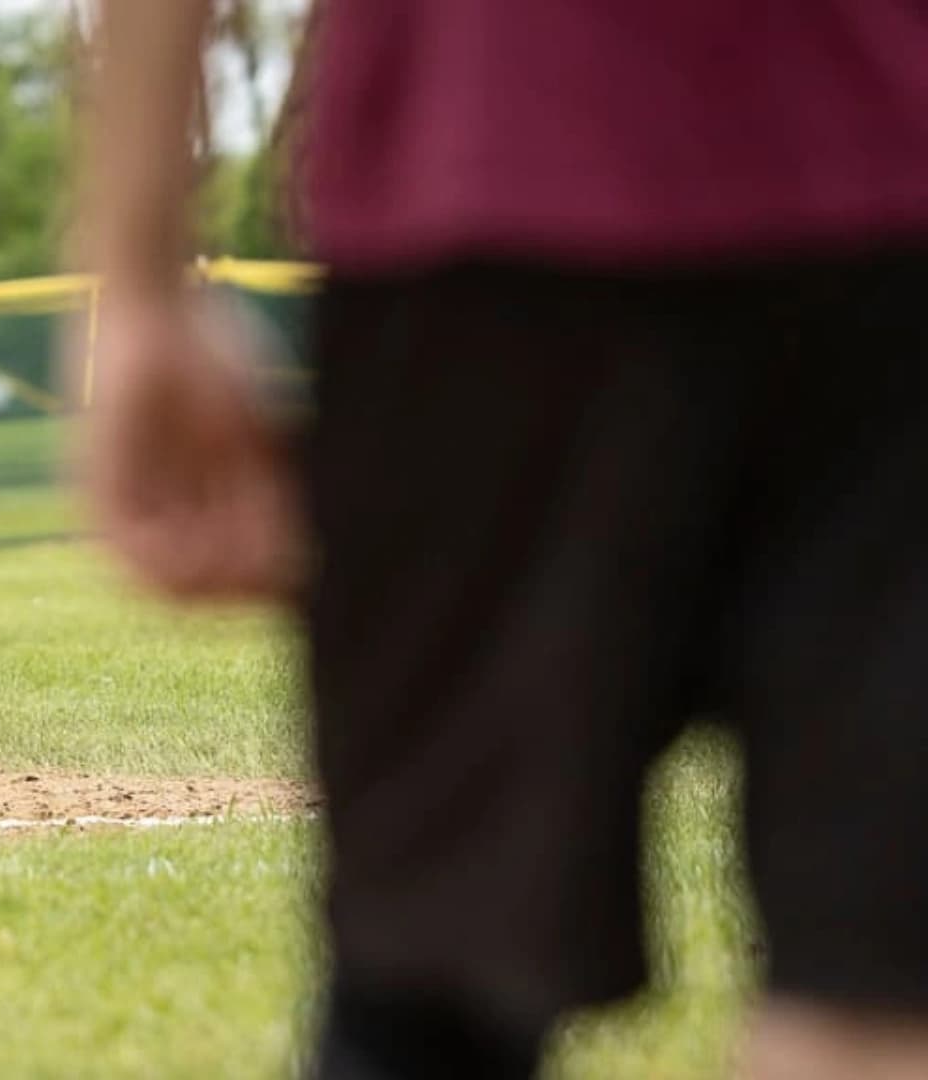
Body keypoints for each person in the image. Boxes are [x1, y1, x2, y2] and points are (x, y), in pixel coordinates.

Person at [75, 2, 928, 1077]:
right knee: (882, 998)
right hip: (893, 199)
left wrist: (141, 274)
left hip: (489, 170)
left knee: (430, 997)